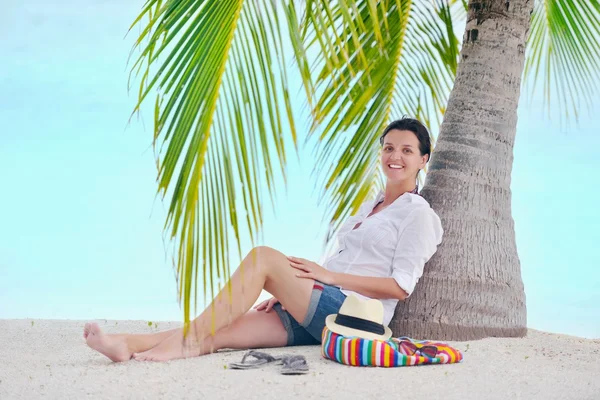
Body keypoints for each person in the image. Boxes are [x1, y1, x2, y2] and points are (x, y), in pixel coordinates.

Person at [83, 117, 444, 362]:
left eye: (407, 150)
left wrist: (329, 278)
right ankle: (126, 346)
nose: (395, 156)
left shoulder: (418, 214)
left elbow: (400, 286)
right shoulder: (370, 205)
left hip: (352, 317)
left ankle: (181, 343)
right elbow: (341, 261)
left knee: (263, 258)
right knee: (219, 331)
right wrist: (287, 292)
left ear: (423, 159)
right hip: (319, 311)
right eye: (389, 148)